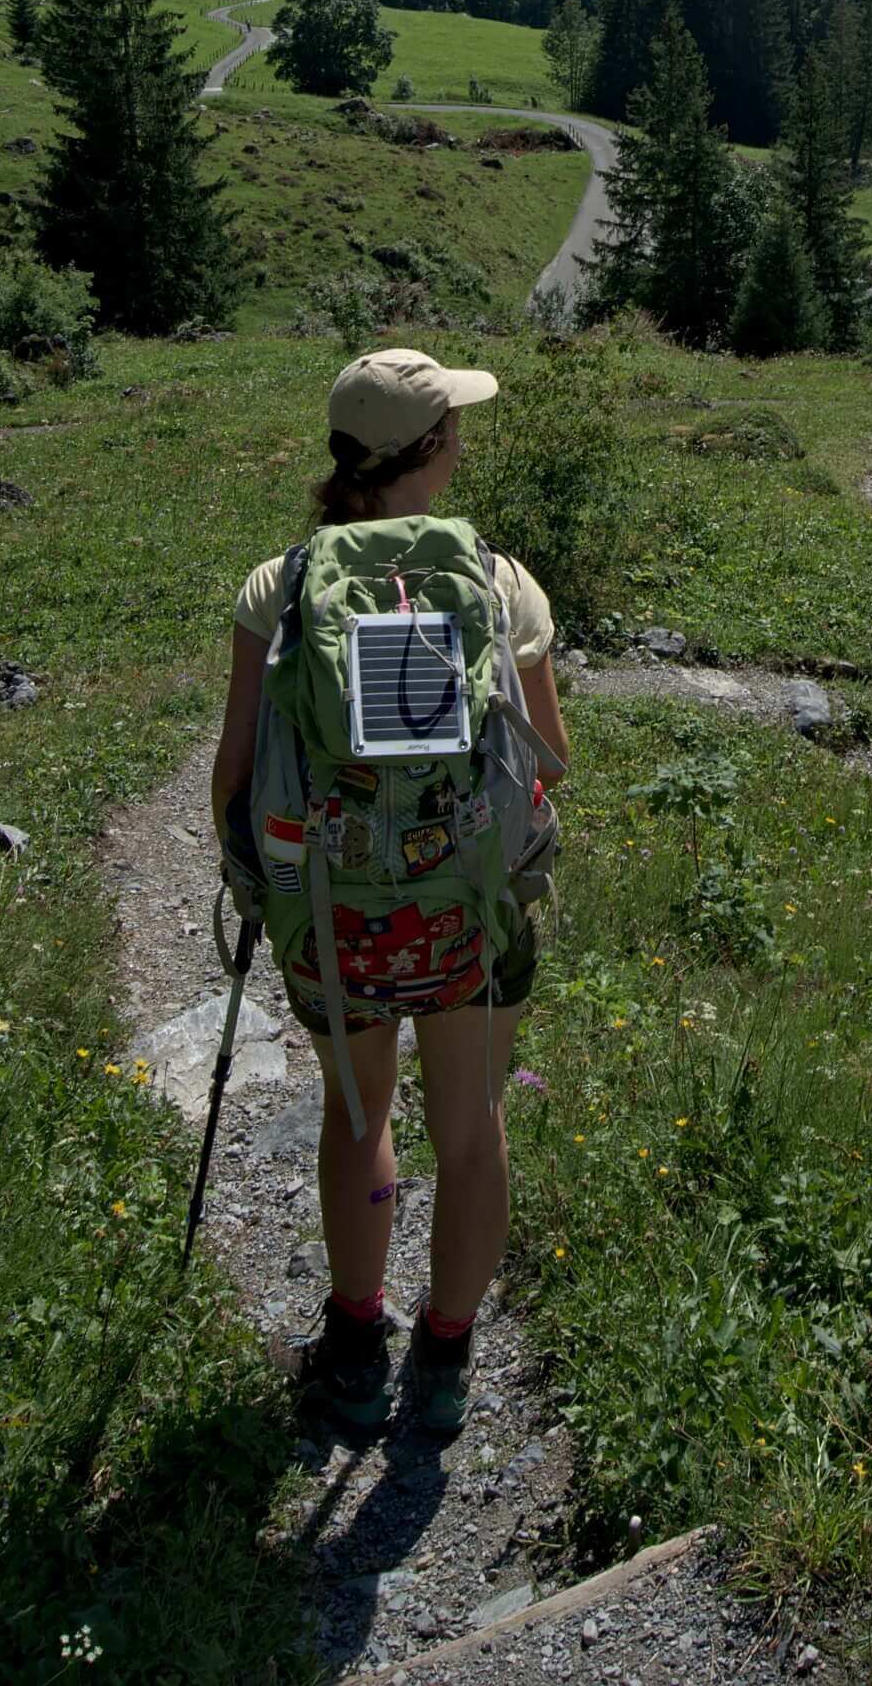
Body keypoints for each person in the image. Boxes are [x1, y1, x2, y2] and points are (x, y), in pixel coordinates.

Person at [210, 348, 569, 1439]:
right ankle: (446, 1356)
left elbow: (235, 770)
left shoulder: (280, 588)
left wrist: (250, 883)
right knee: (471, 1123)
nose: (462, 438)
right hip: (471, 908)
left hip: (332, 909)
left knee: (356, 1114)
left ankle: (355, 1345)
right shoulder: (498, 584)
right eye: (451, 425)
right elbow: (546, 757)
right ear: (428, 451)